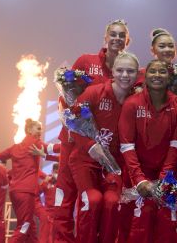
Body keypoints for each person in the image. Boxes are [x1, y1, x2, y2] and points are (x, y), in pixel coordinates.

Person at [53, 19, 131, 242]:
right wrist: (74, 126)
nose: (117, 38)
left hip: (108, 150)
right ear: (105, 37)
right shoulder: (86, 61)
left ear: (127, 40)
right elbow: (66, 97)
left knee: (97, 201)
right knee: (65, 198)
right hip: (75, 142)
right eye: (113, 34)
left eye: (121, 35)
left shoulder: (128, 70)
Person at [69, 51, 139, 243]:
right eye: (120, 70)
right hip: (85, 161)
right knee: (92, 200)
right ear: (113, 72)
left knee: (111, 202)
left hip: (113, 166)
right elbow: (72, 121)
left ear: (137, 74)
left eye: (130, 71)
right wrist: (90, 145)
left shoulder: (136, 101)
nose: (125, 75)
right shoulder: (95, 92)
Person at [119, 59, 177, 243]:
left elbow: (176, 144)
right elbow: (127, 145)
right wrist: (140, 181)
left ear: (169, 76)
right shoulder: (132, 104)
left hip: (168, 175)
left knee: (166, 223)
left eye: (162, 71)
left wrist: (164, 179)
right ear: (145, 76)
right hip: (137, 176)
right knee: (139, 222)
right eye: (152, 71)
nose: (157, 75)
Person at [0, 119, 60, 242]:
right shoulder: (35, 144)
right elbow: (54, 148)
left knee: (30, 226)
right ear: (29, 130)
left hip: (15, 193)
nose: (41, 131)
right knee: (24, 225)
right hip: (26, 193)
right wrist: (72, 142)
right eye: (38, 128)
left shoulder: (14, 148)